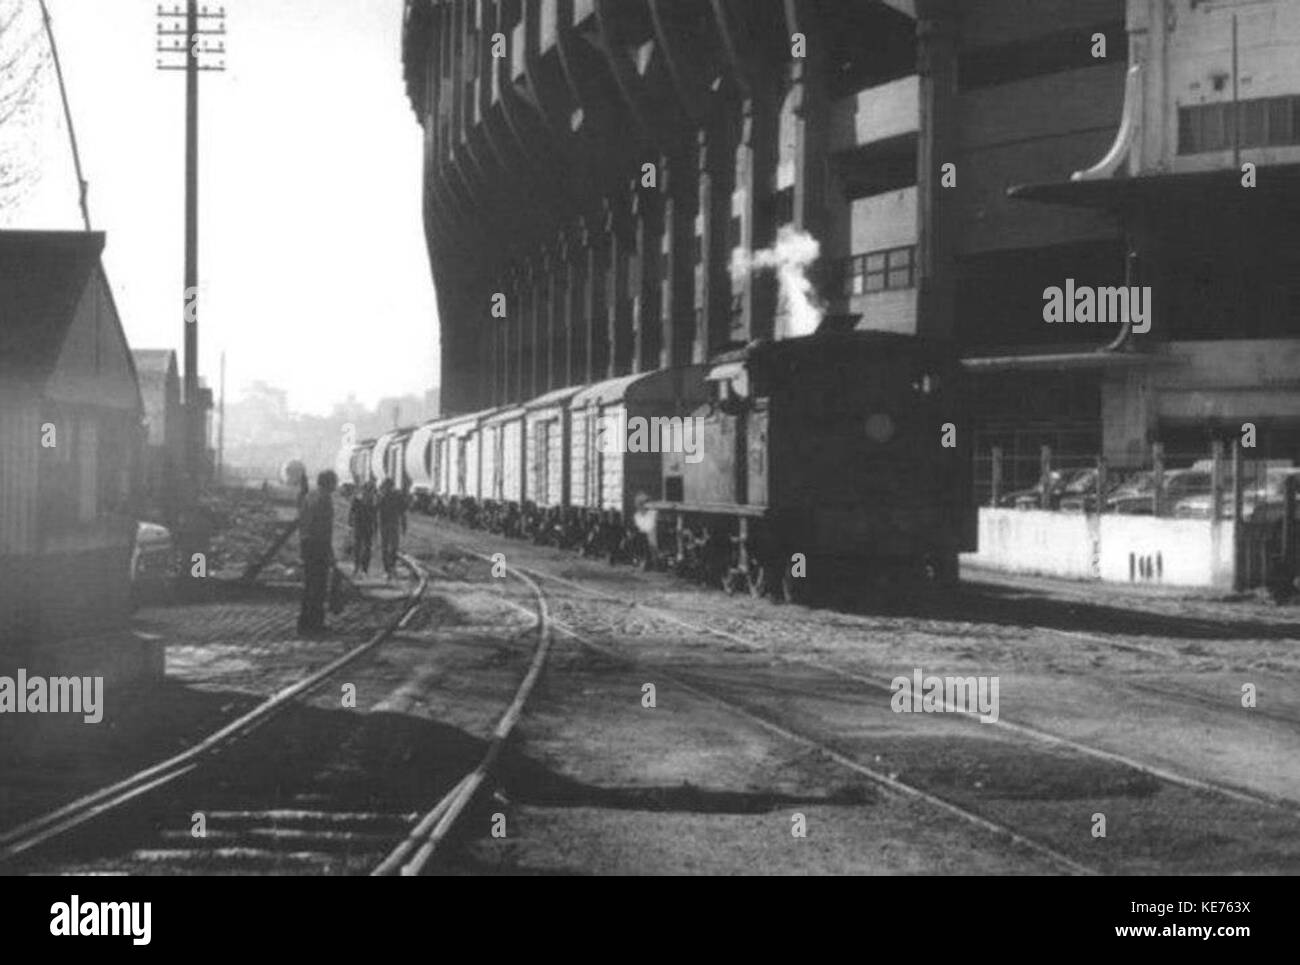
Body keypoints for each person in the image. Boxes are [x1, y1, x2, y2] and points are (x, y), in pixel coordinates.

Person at [297, 469, 337, 636]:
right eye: (334, 482)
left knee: (309, 585)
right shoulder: (324, 499)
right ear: (329, 483)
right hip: (318, 546)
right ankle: (315, 624)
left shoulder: (310, 496)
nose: (336, 485)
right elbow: (323, 529)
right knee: (319, 586)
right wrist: (330, 553)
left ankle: (304, 622)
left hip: (306, 544)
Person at [376, 477, 407, 580]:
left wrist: (403, 525)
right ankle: (390, 568)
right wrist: (403, 525)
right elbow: (402, 513)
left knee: (388, 547)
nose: (387, 488)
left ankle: (389, 568)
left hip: (388, 524)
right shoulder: (391, 496)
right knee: (390, 547)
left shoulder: (386, 497)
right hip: (390, 524)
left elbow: (402, 512)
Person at [349, 480, 377, 576]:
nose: (370, 492)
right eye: (369, 490)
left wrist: (351, 522)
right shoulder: (361, 499)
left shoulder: (371, 500)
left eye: (371, 490)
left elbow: (375, 515)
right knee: (360, 547)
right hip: (361, 525)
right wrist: (351, 522)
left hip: (365, 526)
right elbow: (352, 511)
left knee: (364, 547)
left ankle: (363, 568)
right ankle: (359, 567)